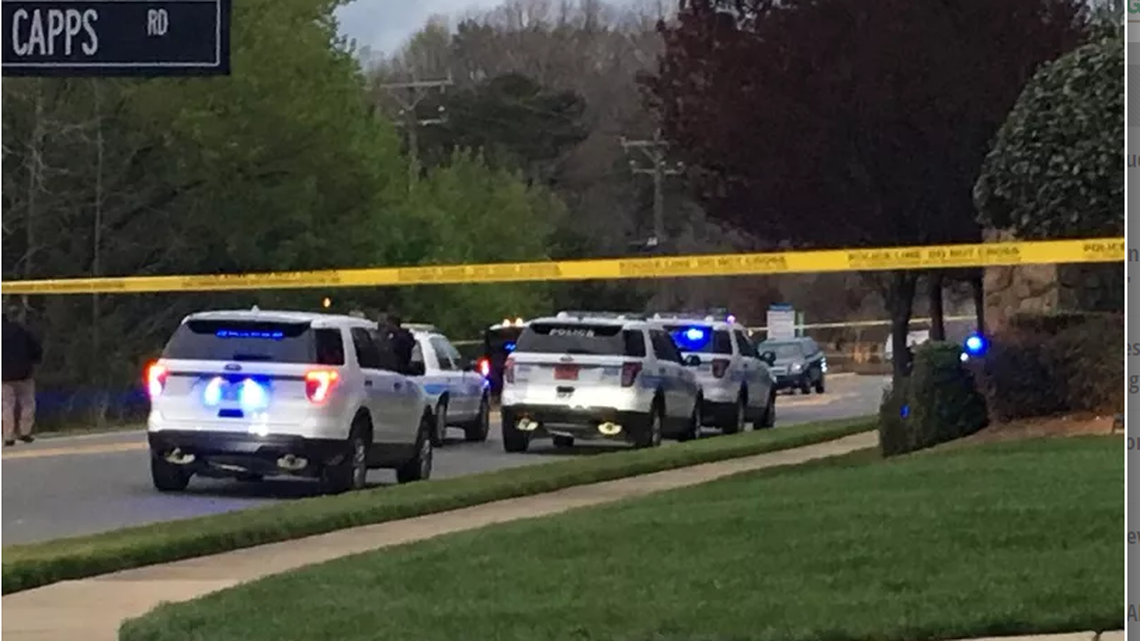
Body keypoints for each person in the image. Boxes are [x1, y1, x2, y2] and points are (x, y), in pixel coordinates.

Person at [2, 305, 42, 446]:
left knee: (6, 405)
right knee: (27, 403)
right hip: (24, 374)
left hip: (4, 376)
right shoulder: (22, 330)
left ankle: (8, 436)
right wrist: (35, 361)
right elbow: (36, 348)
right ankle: (25, 432)